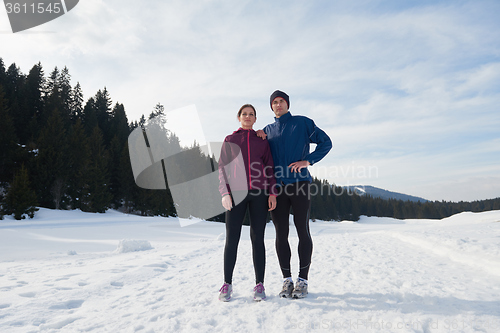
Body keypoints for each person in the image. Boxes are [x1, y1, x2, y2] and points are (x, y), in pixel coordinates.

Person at [257, 90, 332, 299]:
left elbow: (326, 142)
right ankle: (286, 281)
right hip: (277, 188)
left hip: (300, 185)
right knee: (281, 233)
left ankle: (303, 280)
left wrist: (308, 160)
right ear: (271, 106)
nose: (278, 105)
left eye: (281, 101)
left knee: (302, 230)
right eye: (274, 102)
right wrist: (258, 134)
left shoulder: (303, 123)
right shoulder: (267, 130)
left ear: (287, 104)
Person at [218, 104, 278, 302]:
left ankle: (259, 285)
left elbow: (269, 168)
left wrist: (272, 193)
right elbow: (222, 169)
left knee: (257, 239)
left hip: (259, 194)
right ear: (239, 117)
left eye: (251, 114)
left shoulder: (261, 141)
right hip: (236, 194)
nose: (248, 117)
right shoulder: (230, 140)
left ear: (255, 119)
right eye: (244, 114)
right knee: (231, 239)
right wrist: (225, 192)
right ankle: (227, 284)